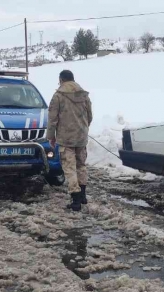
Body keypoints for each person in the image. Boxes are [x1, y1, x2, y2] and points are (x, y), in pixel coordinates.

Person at [47, 70, 93, 212]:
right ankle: (83, 195)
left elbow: (52, 119)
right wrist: (83, 128)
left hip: (65, 138)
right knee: (81, 165)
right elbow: (89, 115)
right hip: (81, 136)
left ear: (61, 80)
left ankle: (76, 200)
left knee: (69, 168)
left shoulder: (58, 96)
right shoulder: (84, 95)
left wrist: (51, 136)